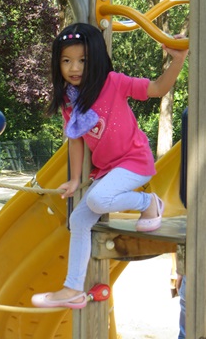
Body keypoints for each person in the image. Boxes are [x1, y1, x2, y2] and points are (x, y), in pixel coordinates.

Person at [32, 22, 188, 309]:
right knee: (78, 220)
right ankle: (72, 289)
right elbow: (76, 140)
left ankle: (148, 201)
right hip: (107, 170)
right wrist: (76, 179)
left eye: (82, 60)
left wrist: (177, 60)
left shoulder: (113, 82)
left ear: (96, 61)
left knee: (99, 198)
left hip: (135, 160)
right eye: (66, 61)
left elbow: (157, 88)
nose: (74, 67)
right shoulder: (70, 101)